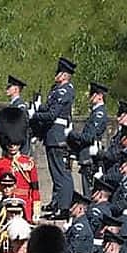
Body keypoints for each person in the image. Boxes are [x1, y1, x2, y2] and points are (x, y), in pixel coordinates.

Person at [29, 57, 76, 220]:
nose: (55, 75)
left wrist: (35, 115)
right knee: (56, 172)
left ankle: (63, 207)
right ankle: (58, 203)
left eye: (58, 72)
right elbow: (48, 107)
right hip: (52, 135)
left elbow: (51, 114)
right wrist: (38, 105)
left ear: (64, 75)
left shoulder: (64, 91)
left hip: (57, 135)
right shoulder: (57, 90)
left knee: (61, 173)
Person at [0, 107, 41, 222]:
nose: (13, 146)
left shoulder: (28, 163)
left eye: (15, 143)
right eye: (10, 143)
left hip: (25, 207)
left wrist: (36, 210)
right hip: (6, 206)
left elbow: (35, 189)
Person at [67, 83, 108, 196]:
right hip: (87, 154)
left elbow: (89, 137)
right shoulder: (95, 112)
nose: (90, 97)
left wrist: (72, 134)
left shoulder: (99, 113)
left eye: (93, 94)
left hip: (91, 156)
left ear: (100, 96)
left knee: (89, 191)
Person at [101, 101, 127, 185]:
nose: (118, 118)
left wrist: (101, 154)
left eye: (120, 115)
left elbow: (116, 153)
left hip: (118, 172)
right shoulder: (120, 132)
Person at [6, 75, 31, 155]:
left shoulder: (20, 106)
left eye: (9, 87)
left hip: (19, 145)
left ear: (16, 89)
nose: (7, 89)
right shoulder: (13, 105)